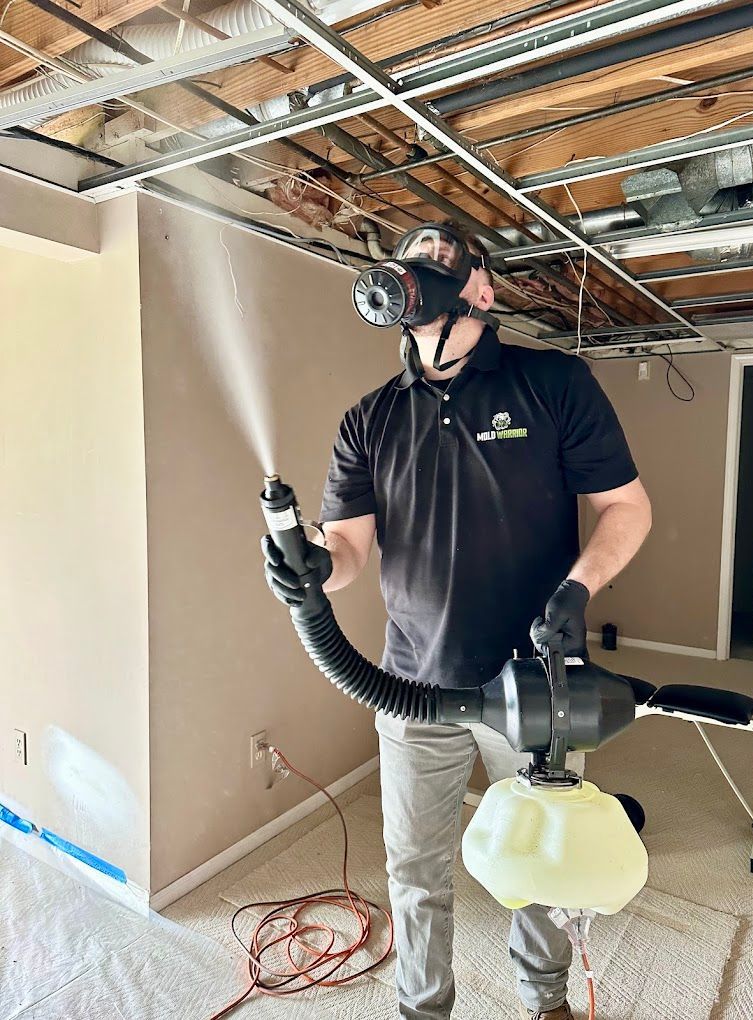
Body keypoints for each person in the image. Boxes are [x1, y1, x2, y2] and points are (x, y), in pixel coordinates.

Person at [262, 220, 652, 1020]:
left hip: (535, 684)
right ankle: (422, 1008)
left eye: (441, 259)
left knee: (542, 862)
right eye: (411, 260)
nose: (421, 269)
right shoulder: (367, 419)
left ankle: (544, 999)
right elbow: (348, 549)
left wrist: (576, 592)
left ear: (481, 287)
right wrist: (313, 569)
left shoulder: (553, 382)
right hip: (411, 684)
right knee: (414, 868)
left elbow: (626, 506)